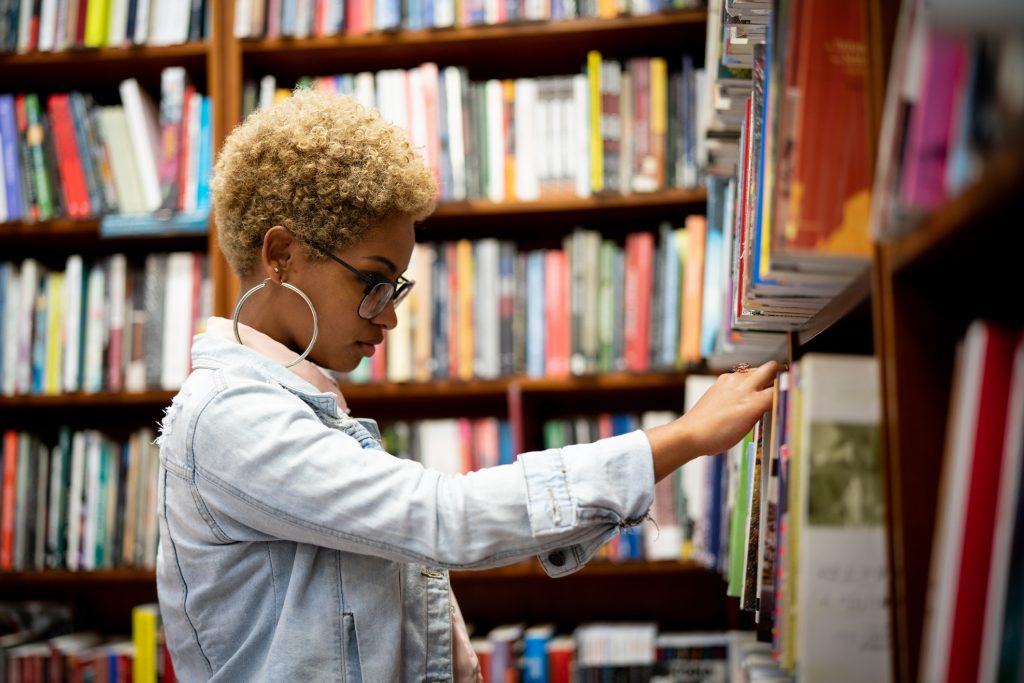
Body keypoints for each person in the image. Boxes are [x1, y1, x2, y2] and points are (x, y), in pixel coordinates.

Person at [155, 88, 778, 682]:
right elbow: (443, 518)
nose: (389, 314)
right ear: (282, 254)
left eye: (396, 286)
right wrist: (686, 438)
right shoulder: (229, 416)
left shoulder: (296, 400)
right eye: (372, 279)